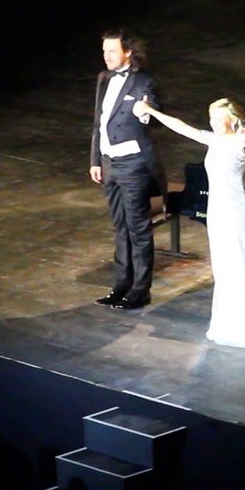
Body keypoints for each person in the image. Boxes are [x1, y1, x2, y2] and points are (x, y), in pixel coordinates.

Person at [133, 96, 245, 348]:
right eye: (210, 118)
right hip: (217, 211)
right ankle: (231, 323)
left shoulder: (242, 141)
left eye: (217, 119)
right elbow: (182, 127)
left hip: (236, 210)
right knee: (224, 268)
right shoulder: (214, 139)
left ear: (231, 120)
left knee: (242, 264)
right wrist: (151, 112)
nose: (212, 123)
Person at [89, 29, 166, 310]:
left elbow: (155, 112)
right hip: (109, 164)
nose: (106, 56)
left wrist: (146, 111)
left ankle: (140, 290)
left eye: (112, 51)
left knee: (138, 229)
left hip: (134, 165)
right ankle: (120, 285)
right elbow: (98, 122)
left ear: (128, 52)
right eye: (104, 51)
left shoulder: (143, 80)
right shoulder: (104, 79)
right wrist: (95, 160)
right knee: (119, 227)